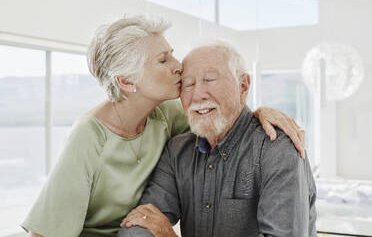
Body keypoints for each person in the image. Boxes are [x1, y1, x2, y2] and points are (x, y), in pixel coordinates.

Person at [21, 16, 306, 237]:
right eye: (163, 59)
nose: (178, 66)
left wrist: (259, 111)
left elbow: (225, 114)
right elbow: (45, 232)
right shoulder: (89, 136)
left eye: (171, 53)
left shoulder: (167, 116)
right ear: (127, 81)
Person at [119, 42, 317, 237]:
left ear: (243, 86)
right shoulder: (177, 151)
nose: (197, 95)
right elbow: (140, 223)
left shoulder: (277, 148)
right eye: (188, 84)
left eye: (210, 80)